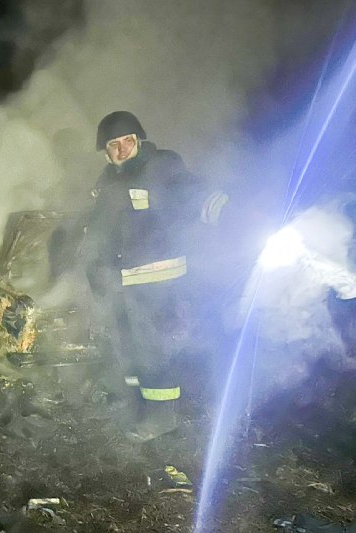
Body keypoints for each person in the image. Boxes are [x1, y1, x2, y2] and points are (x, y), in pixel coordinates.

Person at [84, 111, 230, 442]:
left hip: (157, 285)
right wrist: (95, 268)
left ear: (139, 141)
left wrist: (225, 209)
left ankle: (162, 416)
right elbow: (99, 230)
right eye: (114, 145)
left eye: (128, 141)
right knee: (128, 346)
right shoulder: (107, 182)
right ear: (105, 151)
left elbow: (191, 193)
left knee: (154, 350)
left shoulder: (161, 166)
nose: (122, 150)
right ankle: (137, 403)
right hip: (121, 283)